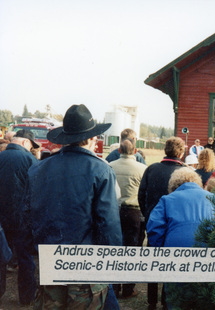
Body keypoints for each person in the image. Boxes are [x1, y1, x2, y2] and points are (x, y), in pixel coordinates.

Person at [26, 104, 122, 308]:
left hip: (50, 262)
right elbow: (108, 225)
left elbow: (26, 217)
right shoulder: (101, 170)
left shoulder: (38, 169)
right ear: (89, 139)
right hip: (85, 267)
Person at [147, 168, 215, 307]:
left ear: (173, 186)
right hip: (207, 256)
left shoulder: (167, 200)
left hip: (175, 257)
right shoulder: (212, 198)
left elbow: (154, 230)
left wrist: (160, 252)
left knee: (176, 298)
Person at [138, 136, 185, 310]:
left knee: (152, 262)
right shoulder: (184, 172)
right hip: (174, 225)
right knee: (170, 263)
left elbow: (141, 194)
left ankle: (151, 301)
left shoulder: (151, 169)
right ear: (180, 152)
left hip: (153, 223)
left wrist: (148, 215)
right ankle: (165, 300)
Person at [0, 129, 39, 305]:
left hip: (1, 218)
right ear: (24, 142)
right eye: (31, 145)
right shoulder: (31, 160)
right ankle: (26, 297)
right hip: (23, 219)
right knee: (25, 259)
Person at [109, 138, 147, 299]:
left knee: (115, 249)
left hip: (114, 210)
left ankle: (115, 286)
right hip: (133, 212)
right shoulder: (142, 168)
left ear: (119, 151)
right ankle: (128, 287)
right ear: (135, 151)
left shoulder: (110, 167)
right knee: (132, 249)